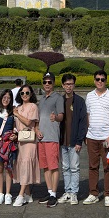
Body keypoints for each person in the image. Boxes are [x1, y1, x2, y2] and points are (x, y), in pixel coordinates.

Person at [83, 70, 109, 206]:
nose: (100, 81)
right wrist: (86, 133)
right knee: (93, 166)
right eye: (97, 79)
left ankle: (108, 194)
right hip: (92, 136)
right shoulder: (89, 96)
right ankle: (93, 193)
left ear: (106, 81)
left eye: (102, 79)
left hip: (105, 137)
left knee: (108, 167)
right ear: (94, 80)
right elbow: (88, 115)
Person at [59, 73, 87, 205]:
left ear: (74, 85)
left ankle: (74, 192)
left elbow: (83, 122)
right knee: (65, 167)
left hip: (74, 139)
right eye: (66, 84)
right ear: (63, 85)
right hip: (62, 140)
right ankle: (68, 191)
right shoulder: (60, 100)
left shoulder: (79, 101)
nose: (68, 86)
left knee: (74, 167)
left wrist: (79, 140)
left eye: (71, 84)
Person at [37, 72, 64, 207]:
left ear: (53, 83)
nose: (47, 84)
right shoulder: (41, 99)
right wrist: (37, 130)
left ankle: (54, 193)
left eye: (50, 82)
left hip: (52, 136)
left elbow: (61, 116)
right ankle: (49, 191)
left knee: (53, 166)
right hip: (41, 138)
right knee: (45, 166)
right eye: (45, 82)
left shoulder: (58, 98)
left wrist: (56, 118)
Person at [13, 84, 40, 206]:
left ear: (31, 94)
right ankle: (28, 194)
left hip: (29, 140)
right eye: (22, 93)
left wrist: (17, 114)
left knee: (26, 165)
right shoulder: (17, 107)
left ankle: (20, 194)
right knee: (22, 165)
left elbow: (29, 122)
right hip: (20, 140)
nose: (24, 95)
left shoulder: (33, 106)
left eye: (27, 93)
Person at [0, 89, 16, 205]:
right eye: (4, 97)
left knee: (9, 169)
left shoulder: (13, 112)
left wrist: (15, 135)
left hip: (9, 145)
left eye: (9, 98)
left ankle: (8, 194)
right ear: (1, 98)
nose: (6, 100)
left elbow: (15, 128)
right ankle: (0, 193)